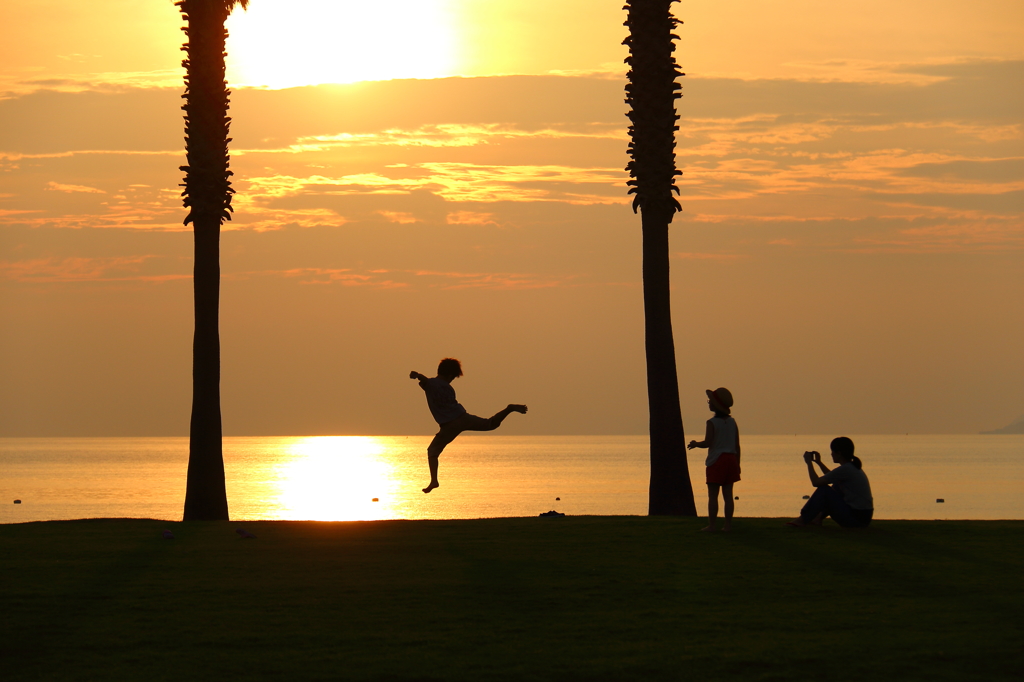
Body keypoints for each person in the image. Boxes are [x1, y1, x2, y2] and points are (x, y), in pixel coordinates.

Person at [410, 358, 527, 493]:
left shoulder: (431, 383)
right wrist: (418, 376)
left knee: (432, 452)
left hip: (449, 425)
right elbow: (425, 381)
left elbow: (425, 380)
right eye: (453, 377)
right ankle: (509, 409)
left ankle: (434, 481)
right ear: (449, 375)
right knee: (490, 424)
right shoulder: (447, 387)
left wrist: (417, 375)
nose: (452, 380)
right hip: (463, 417)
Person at [787, 436, 874, 528]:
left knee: (824, 489)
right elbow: (832, 476)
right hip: (862, 518)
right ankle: (817, 519)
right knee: (835, 486)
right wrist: (819, 462)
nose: (831, 454)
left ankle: (802, 520)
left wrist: (809, 463)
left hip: (857, 519)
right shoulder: (851, 467)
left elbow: (816, 482)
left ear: (839, 453)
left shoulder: (846, 468)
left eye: (832, 451)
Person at [687, 387, 740, 532]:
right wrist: (738, 463)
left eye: (710, 401)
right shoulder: (732, 422)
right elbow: (737, 445)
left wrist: (696, 444)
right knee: (728, 496)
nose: (708, 403)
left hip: (717, 461)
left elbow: (708, 442)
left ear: (715, 405)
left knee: (713, 495)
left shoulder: (711, 423)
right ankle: (728, 525)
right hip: (731, 459)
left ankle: (712, 525)